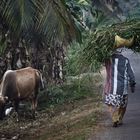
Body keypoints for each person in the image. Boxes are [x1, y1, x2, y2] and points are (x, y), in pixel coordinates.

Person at [104, 48, 136, 127]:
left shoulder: (108, 60)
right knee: (123, 105)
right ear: (121, 52)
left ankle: (115, 118)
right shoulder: (126, 60)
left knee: (110, 103)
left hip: (111, 88)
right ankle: (120, 118)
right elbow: (131, 74)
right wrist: (132, 85)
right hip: (123, 89)